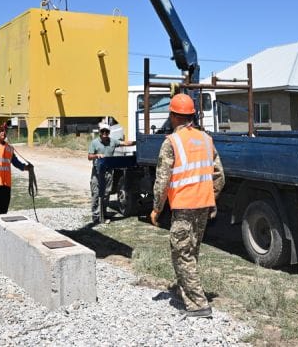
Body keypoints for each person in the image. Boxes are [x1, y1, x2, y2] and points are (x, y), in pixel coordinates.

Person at [150, 93, 225, 319]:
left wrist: (157, 208)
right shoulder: (206, 139)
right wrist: (211, 198)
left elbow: (162, 180)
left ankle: (198, 304)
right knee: (191, 251)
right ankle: (185, 291)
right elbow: (219, 176)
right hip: (203, 205)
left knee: (182, 254)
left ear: (173, 116)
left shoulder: (171, 142)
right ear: (191, 115)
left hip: (184, 207)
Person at [0, 121, 33, 241]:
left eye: (4, 130)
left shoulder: (9, 148)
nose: (3, 132)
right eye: (0, 130)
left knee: (2, 214)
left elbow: (16, 162)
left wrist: (26, 168)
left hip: (5, 186)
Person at [88, 123, 135, 224]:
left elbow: (125, 143)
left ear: (109, 132)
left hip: (108, 172)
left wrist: (138, 142)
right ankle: (96, 216)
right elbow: (89, 156)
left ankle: (103, 214)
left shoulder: (113, 141)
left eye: (107, 131)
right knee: (96, 193)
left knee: (106, 193)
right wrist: (96, 155)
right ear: (100, 132)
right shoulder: (94, 142)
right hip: (97, 172)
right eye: (103, 131)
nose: (105, 133)